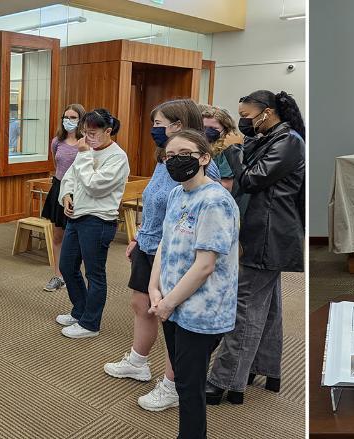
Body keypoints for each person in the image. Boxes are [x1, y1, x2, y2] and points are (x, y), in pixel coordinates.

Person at [103, 99, 221, 412]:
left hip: (179, 255)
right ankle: (138, 362)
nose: (155, 130)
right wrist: (139, 235)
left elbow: (202, 218)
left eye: (160, 124)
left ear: (180, 124)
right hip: (149, 245)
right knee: (141, 304)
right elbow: (154, 201)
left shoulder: (199, 163)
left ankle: (172, 385)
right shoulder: (164, 158)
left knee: (174, 321)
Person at [206, 90, 305, 405]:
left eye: (247, 116)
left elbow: (249, 180)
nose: (242, 122)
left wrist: (235, 151)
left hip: (268, 234)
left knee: (245, 307)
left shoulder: (287, 141)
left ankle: (226, 381)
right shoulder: (267, 138)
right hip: (262, 230)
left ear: (268, 112)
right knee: (268, 305)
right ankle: (264, 368)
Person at [148, 129, 240, 439]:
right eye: (170, 156)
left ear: (204, 158)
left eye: (185, 154)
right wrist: (154, 287)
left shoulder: (215, 201)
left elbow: (205, 266)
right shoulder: (178, 193)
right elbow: (165, 242)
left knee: (189, 387)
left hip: (200, 311)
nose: (176, 161)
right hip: (171, 303)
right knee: (183, 380)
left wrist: (168, 302)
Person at [54, 108, 130, 339]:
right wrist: (66, 195)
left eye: (93, 133)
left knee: (95, 274)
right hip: (76, 218)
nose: (87, 138)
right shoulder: (86, 150)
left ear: (108, 131)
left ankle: (90, 324)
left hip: (98, 221)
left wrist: (85, 154)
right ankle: (80, 311)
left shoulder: (117, 157)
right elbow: (70, 178)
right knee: (67, 267)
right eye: (85, 132)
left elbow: (94, 185)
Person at [41, 104, 86, 292]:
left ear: (81, 119)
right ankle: (58, 276)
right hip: (59, 188)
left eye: (73, 117)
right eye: (66, 117)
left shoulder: (86, 142)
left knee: (75, 237)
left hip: (79, 192)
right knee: (57, 235)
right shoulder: (56, 141)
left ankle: (72, 274)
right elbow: (56, 163)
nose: (69, 120)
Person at [200, 104, 244, 193]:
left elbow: (226, 186)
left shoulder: (226, 149)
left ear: (226, 129)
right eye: (204, 128)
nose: (207, 131)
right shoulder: (202, 146)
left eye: (213, 128)